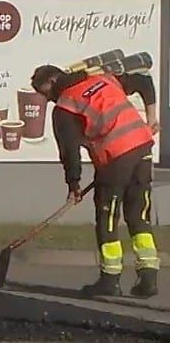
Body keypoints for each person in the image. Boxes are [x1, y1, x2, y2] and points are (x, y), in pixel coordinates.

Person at [32, 64, 159, 298]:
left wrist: (73, 185)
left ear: (51, 82)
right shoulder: (103, 79)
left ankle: (110, 279)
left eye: (45, 93)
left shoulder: (65, 106)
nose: (48, 99)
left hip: (115, 156)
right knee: (138, 213)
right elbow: (143, 81)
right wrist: (151, 119)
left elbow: (69, 151)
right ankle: (148, 278)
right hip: (142, 146)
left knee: (107, 216)